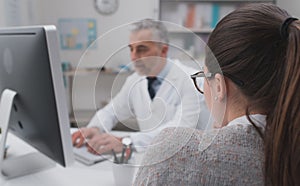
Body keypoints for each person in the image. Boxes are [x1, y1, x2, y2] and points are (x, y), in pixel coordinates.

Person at [134, 3, 300, 186]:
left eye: (204, 78)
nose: (135, 56)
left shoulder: (173, 152)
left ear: (219, 86)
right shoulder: (289, 151)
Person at [72, 19, 209, 154]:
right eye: (131, 49)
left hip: (186, 161)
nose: (133, 57)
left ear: (163, 50)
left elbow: (180, 130)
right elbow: (112, 111)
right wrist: (96, 128)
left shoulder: (192, 81)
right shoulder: (134, 81)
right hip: (150, 159)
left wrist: (128, 142)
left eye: (141, 49)